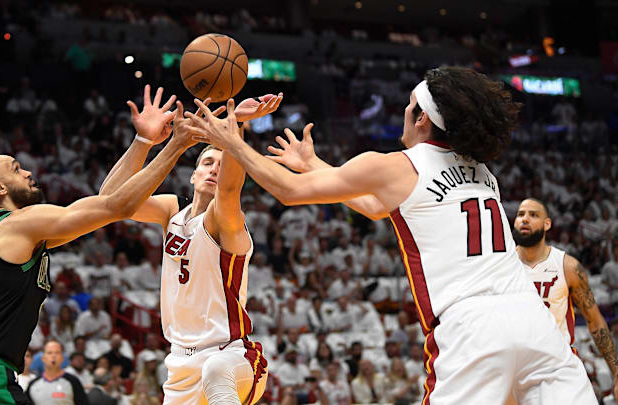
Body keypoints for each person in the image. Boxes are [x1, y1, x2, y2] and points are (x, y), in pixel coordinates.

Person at [188, 67, 597, 403]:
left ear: (421, 117)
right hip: (534, 321)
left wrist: (233, 142)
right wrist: (314, 163)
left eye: (408, 107)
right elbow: (374, 205)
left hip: (471, 329)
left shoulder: (396, 164)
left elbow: (289, 192)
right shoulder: (482, 171)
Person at [0, 85, 194, 405]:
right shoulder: (19, 223)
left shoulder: (18, 233)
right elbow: (116, 207)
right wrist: (175, 147)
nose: (27, 172)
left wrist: (143, 142)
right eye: (15, 168)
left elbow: (107, 203)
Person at [99, 94, 281, 404]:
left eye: (223, 164)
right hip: (180, 363)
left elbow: (228, 189)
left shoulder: (224, 219)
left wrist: (236, 127)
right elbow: (110, 200)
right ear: (193, 175)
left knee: (215, 371)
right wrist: (144, 141)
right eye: (208, 162)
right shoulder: (171, 211)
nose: (214, 169)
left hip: (231, 355)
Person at [513, 198, 618, 399]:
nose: (525, 219)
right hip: (514, 369)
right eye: (520, 214)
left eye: (533, 215)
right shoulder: (501, 264)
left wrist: (616, 373)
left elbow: (595, 322)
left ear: (547, 224)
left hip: (558, 369)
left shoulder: (567, 266)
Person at [26, 340, 89, 405]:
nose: (53, 356)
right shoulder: (33, 384)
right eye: (49, 353)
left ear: (62, 358)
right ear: (43, 358)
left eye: (57, 352)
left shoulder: (73, 381)